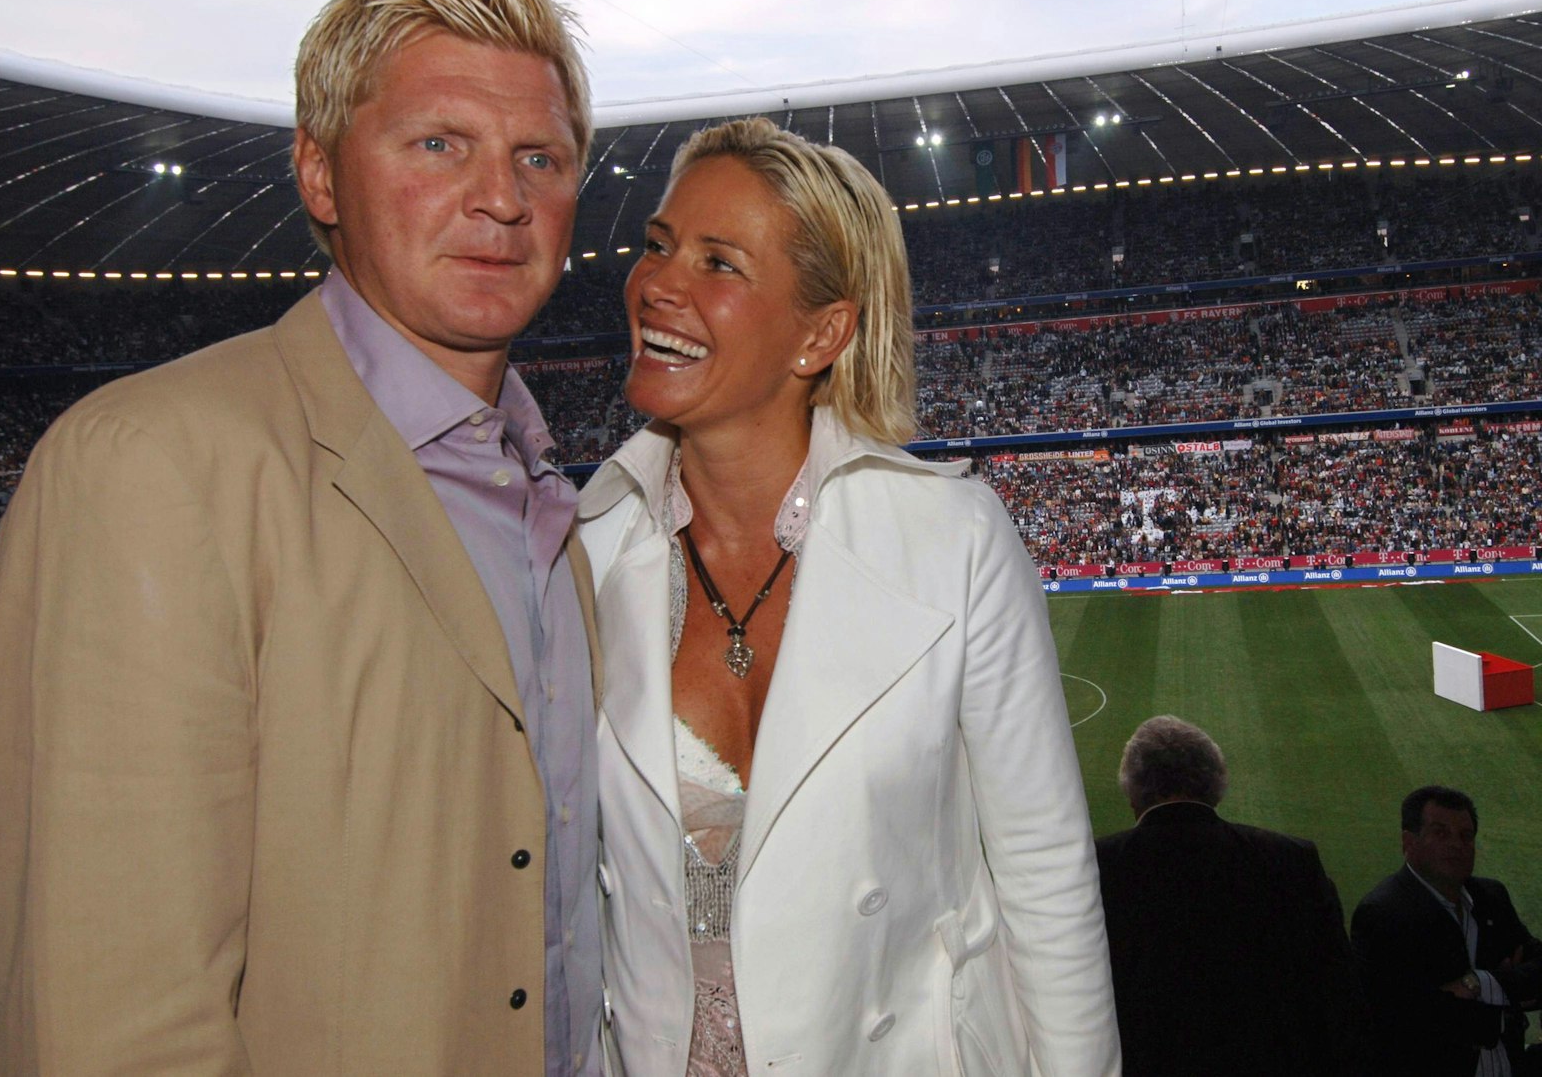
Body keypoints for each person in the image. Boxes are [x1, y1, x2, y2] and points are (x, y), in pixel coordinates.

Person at [0, 0, 602, 1075]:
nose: (500, 200)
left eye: (540, 158)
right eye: (435, 144)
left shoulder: (551, 497)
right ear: (319, 171)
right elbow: (111, 1026)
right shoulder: (153, 466)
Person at [578, 117, 1120, 1076]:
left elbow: (1046, 882)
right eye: (658, 246)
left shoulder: (953, 542)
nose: (657, 283)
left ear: (820, 334)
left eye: (718, 263)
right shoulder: (580, 552)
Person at [1093, 715, 1366, 1077]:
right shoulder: (1290, 860)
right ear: (1215, 784)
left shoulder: (1096, 867)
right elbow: (1337, 993)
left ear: (1132, 792)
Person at [1352, 786, 1542, 1077]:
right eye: (1441, 833)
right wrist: (1508, 1008)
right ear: (1408, 842)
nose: (1457, 845)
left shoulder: (1491, 898)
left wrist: (1477, 982)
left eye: (1466, 836)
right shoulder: (1383, 914)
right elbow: (1406, 1018)